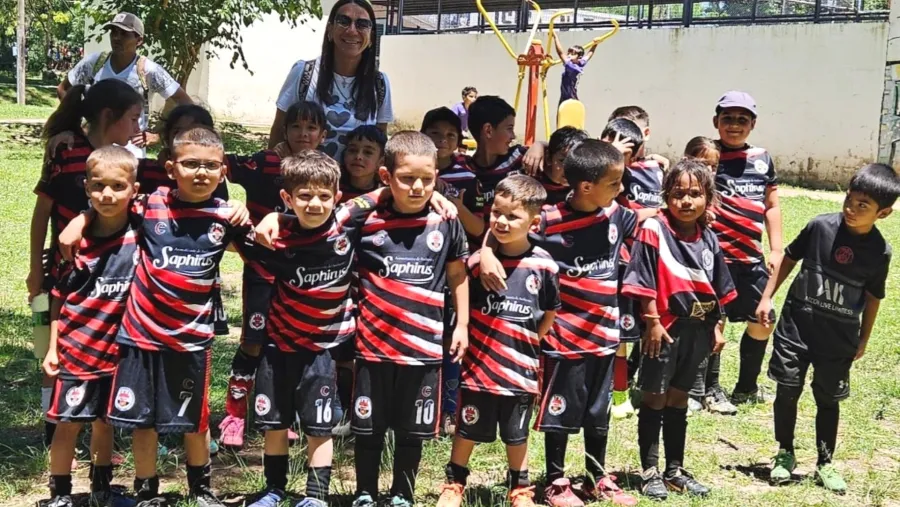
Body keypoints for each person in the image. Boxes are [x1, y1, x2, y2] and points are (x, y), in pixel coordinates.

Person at [58, 126, 250, 507]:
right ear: (170, 168)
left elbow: (262, 253)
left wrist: (260, 219)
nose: (201, 173)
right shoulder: (150, 204)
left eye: (210, 166)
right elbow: (105, 205)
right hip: (140, 336)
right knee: (142, 421)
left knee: (194, 420)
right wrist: (79, 219)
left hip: (192, 338)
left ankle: (201, 489)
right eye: (191, 164)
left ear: (223, 170)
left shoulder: (226, 217)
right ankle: (147, 490)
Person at [479, 140, 641, 507]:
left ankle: (597, 476)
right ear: (586, 187)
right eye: (614, 182)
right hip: (565, 338)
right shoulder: (550, 219)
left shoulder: (615, 213)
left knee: (598, 414)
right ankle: (556, 480)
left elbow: (646, 218)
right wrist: (487, 251)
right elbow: (507, 231)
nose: (621, 188)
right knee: (560, 412)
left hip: (605, 335)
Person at [240, 152, 380, 507]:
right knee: (274, 422)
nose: (314, 203)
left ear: (337, 197)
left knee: (320, 425)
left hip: (325, 349)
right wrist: (271, 217)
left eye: (323, 195)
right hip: (280, 344)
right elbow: (231, 237)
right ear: (288, 199)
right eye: (303, 196)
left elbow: (382, 191)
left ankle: (315, 496)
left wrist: (439, 195)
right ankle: (274, 489)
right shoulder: (276, 237)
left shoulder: (347, 220)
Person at [756, 164, 899, 493]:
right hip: (796, 329)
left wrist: (864, 337)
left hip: (838, 339)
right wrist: (767, 298)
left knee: (828, 399)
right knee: (787, 390)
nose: (851, 208)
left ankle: (825, 461)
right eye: (850, 198)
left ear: (884, 213)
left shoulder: (880, 252)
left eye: (863, 205)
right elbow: (789, 258)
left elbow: (874, 296)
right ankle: (784, 453)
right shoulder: (820, 226)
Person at [349, 132, 469, 507]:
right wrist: (378, 196)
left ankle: (403, 493)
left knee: (411, 430)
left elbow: (457, 274)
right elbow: (329, 220)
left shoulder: (445, 221)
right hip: (373, 346)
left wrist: (462, 324)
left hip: (423, 350)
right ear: (386, 176)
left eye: (427, 180)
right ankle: (365, 492)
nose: (417, 187)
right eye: (406, 179)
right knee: (368, 428)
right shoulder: (366, 219)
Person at [28, 80, 143, 448]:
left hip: (108, 274)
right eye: (133, 119)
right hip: (63, 272)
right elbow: (42, 210)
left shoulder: (124, 164)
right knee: (50, 347)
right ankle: (54, 423)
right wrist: (35, 268)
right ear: (110, 116)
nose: (138, 129)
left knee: (101, 350)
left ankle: (101, 427)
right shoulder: (66, 151)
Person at [436, 175, 559, 507]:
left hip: (520, 371)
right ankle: (454, 483)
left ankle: (519, 489)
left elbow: (548, 314)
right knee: (466, 429)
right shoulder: (478, 264)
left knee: (517, 435)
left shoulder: (544, 265)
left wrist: (530, 341)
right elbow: (464, 300)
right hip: (480, 369)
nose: (502, 222)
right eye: (496, 214)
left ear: (534, 221)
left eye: (513, 216)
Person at [622, 159, 737, 501]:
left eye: (695, 194)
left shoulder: (709, 239)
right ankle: (650, 470)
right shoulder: (653, 231)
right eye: (678, 194)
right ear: (666, 196)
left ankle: (674, 469)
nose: (686, 202)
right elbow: (641, 280)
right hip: (664, 330)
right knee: (655, 397)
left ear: (708, 198)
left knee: (680, 398)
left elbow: (720, 290)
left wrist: (716, 327)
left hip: (697, 331)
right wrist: (653, 322)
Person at [219, 103, 329, 450]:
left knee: (291, 344)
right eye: (295, 127)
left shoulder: (326, 172)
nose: (303, 134)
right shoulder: (267, 163)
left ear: (323, 136)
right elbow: (218, 163)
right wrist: (236, 222)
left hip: (304, 279)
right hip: (263, 271)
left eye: (311, 129)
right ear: (284, 132)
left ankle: (287, 414)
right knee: (252, 341)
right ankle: (234, 415)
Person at [41, 146, 141, 507]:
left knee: (105, 423)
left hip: (119, 353)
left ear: (134, 189)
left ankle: (101, 488)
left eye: (118, 186)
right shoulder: (74, 244)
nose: (107, 195)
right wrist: (52, 348)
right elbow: (57, 297)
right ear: (86, 188)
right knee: (68, 424)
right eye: (98, 186)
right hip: (77, 351)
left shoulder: (142, 235)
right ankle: (61, 493)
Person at [704, 91, 783, 414]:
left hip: (751, 258)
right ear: (716, 122)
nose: (734, 125)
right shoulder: (707, 154)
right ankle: (710, 389)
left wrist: (776, 247)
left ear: (752, 124)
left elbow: (772, 205)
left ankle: (746, 386)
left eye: (742, 119)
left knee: (763, 320)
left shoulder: (762, 158)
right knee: (713, 323)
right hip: (714, 258)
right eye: (727, 119)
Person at [421, 107, 485, 436]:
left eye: (450, 135)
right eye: (435, 133)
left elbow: (478, 228)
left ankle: (448, 411)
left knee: (449, 340)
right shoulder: (413, 173)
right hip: (420, 271)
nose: (442, 140)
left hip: (454, 270)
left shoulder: (468, 177)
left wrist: (457, 206)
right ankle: (422, 408)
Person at [270, 0, 393, 161]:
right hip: (305, 181)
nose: (352, 30)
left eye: (362, 24)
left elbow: (379, 140)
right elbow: (279, 130)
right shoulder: (304, 73)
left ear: (371, 37)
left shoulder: (379, 83)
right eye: (344, 21)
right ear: (330, 29)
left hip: (356, 184)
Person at [60, 12, 192, 156]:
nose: (116, 38)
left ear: (139, 40)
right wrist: (76, 126)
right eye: (113, 32)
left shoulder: (148, 71)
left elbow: (184, 102)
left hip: (131, 156)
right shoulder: (94, 63)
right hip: (93, 151)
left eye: (124, 34)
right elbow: (63, 89)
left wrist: (158, 135)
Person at [465, 96, 543, 213]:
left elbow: (559, 153)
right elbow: (477, 207)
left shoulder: (519, 158)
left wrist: (540, 145)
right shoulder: (467, 173)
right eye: (509, 128)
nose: (513, 136)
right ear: (488, 131)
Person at [538, 126, 589, 205]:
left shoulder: (581, 186)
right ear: (548, 157)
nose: (570, 169)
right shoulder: (534, 175)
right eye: (562, 161)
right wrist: (538, 144)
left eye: (576, 162)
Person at [340, 125, 387, 202]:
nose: (358, 156)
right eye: (352, 150)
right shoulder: (333, 188)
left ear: (381, 162)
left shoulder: (385, 194)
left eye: (367, 152)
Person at [553, 38, 598, 104]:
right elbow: (589, 55)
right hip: (569, 97)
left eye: (572, 54)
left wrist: (555, 37)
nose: (568, 55)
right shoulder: (580, 63)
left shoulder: (571, 67)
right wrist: (595, 44)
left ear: (579, 57)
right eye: (568, 53)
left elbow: (560, 53)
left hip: (568, 99)